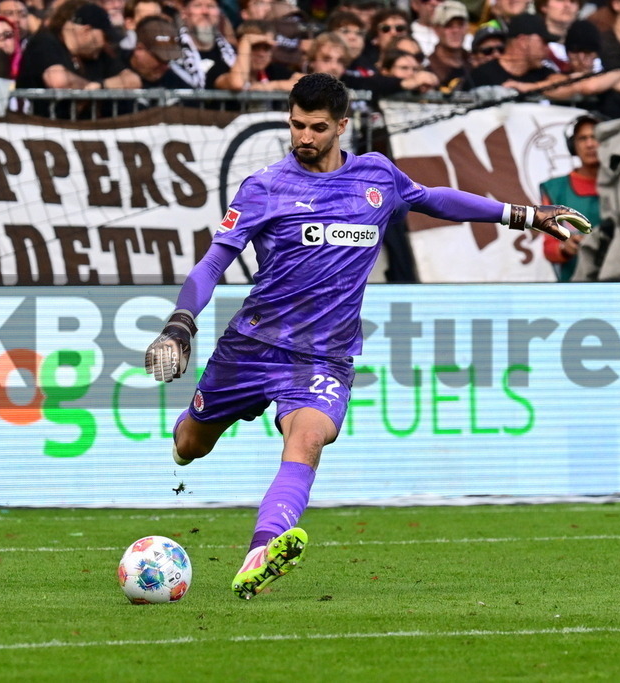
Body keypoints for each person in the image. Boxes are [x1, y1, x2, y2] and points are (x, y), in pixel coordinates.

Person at [143, 72, 590, 600]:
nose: (303, 137)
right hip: (252, 348)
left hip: (323, 358)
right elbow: (213, 263)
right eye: (295, 125)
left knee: (307, 438)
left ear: (342, 127)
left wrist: (523, 214)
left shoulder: (375, 177)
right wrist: (180, 323)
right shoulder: (265, 187)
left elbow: (435, 199)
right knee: (190, 445)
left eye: (316, 127)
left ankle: (262, 550)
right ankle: (190, 430)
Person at [16, 0, 140, 118]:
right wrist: (90, 91)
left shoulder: (98, 53)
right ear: (87, 31)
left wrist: (101, 86)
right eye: (104, 36)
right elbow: (59, 80)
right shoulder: (45, 42)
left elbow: (133, 80)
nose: (105, 43)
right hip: (42, 129)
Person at [539, 113, 601, 281]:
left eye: (595, 137)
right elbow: (549, 249)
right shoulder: (555, 189)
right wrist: (565, 248)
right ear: (573, 146)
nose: (590, 144)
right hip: (577, 290)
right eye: (583, 138)